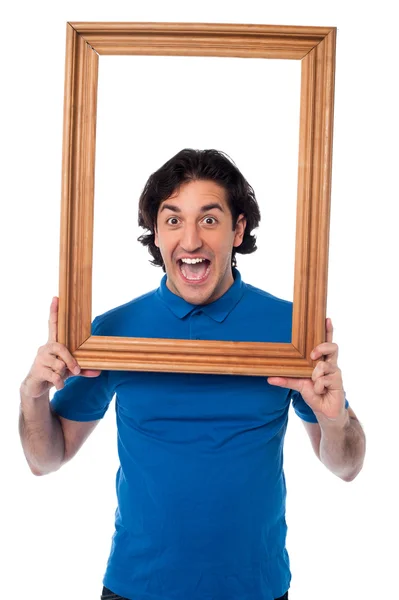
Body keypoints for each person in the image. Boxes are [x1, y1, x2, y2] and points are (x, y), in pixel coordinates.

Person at [19, 149, 366, 600]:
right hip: (135, 588)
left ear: (238, 230)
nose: (190, 241)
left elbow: (347, 466)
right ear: (157, 235)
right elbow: (45, 459)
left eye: (208, 220)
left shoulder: (291, 330)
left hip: (255, 590)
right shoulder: (112, 334)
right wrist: (32, 396)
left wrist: (335, 417)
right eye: (173, 220)